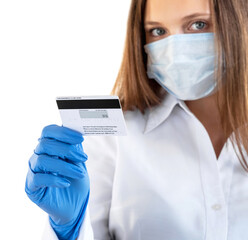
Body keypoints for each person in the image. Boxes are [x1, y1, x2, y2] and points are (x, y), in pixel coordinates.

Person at [25, 0, 248, 239]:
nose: (175, 51)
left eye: (198, 24)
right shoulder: (114, 139)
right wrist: (67, 229)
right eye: (158, 31)